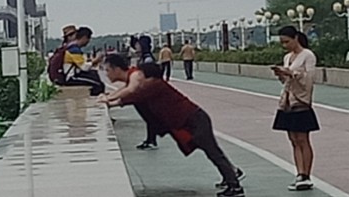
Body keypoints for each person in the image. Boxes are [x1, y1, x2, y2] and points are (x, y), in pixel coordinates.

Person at [100, 55, 245, 197]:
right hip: (191, 121)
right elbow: (131, 96)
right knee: (211, 151)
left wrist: (109, 99)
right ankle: (232, 174)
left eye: (140, 76)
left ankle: (235, 186)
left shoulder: (154, 86)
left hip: (195, 120)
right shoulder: (150, 87)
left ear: (149, 77)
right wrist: (111, 101)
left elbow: (132, 94)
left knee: (213, 152)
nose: (137, 79)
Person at [271, 25, 319, 192]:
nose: (285, 45)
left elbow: (309, 79)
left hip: (301, 101)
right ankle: (299, 173)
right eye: (283, 43)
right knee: (293, 139)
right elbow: (286, 82)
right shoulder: (287, 57)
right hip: (287, 101)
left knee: (303, 138)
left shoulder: (308, 55)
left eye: (287, 42)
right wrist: (282, 75)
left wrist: (292, 73)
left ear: (296, 38)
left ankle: (306, 175)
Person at [63, 26, 105, 95]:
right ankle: (96, 99)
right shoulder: (74, 50)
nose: (89, 41)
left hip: (75, 74)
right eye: (88, 38)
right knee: (98, 84)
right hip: (72, 77)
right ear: (84, 37)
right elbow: (84, 67)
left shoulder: (71, 47)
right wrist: (95, 60)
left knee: (94, 75)